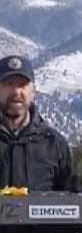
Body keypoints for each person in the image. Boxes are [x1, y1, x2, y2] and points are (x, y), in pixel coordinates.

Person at [0, 54, 75, 191]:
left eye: (22, 85)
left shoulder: (54, 145)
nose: (16, 91)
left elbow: (70, 199)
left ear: (33, 91)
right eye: (9, 84)